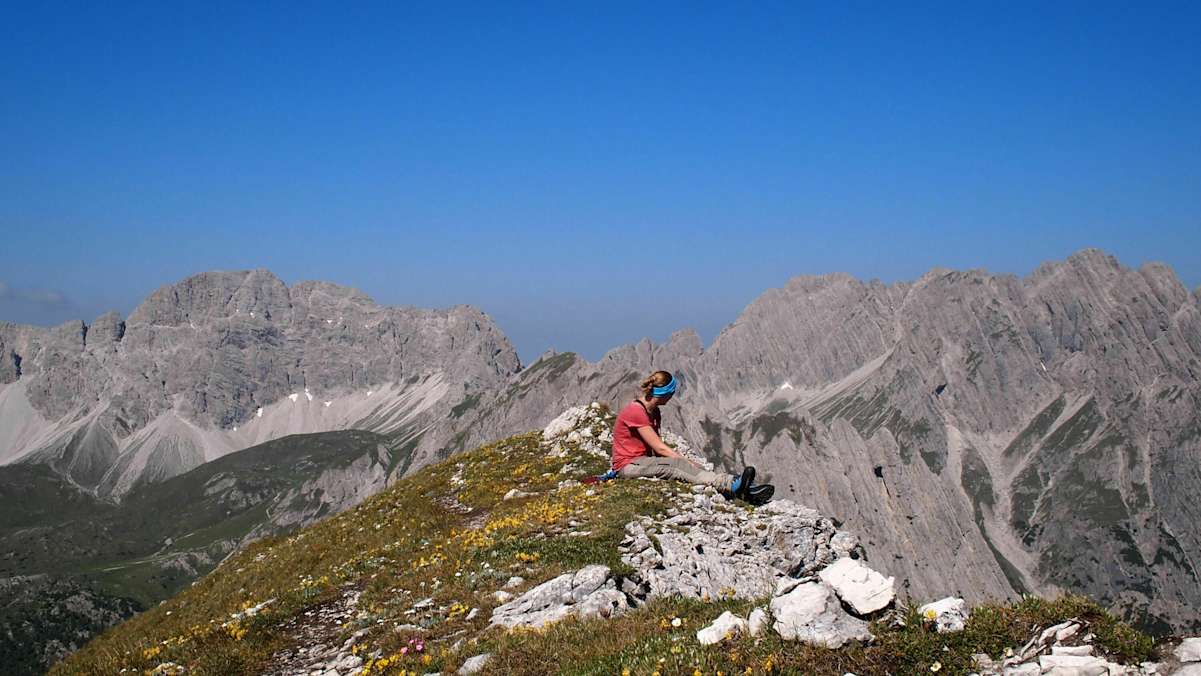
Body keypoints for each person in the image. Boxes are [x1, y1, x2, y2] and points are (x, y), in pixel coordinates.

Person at [609, 369, 772, 503]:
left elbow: (656, 448)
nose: (673, 396)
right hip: (627, 466)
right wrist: (684, 461)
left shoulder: (654, 411)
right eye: (672, 393)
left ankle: (739, 486)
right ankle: (731, 485)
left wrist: (687, 464)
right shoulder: (636, 411)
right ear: (666, 393)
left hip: (642, 461)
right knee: (674, 468)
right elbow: (659, 447)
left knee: (680, 465)